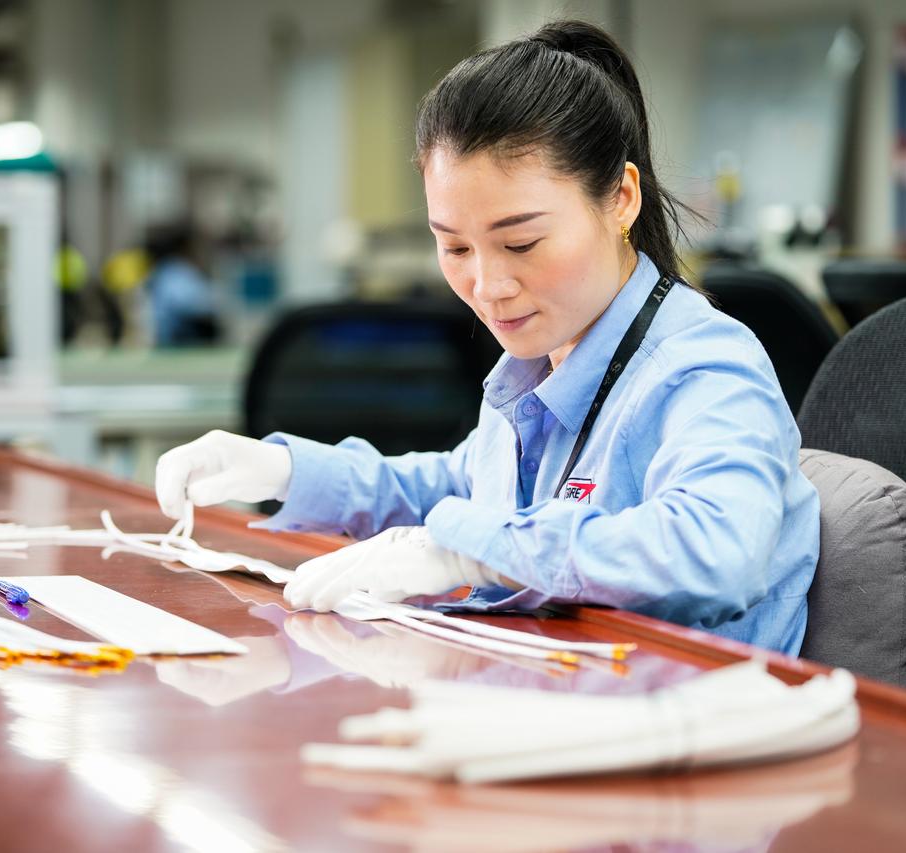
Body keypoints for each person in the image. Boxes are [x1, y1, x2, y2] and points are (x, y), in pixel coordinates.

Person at [155, 20, 820, 655]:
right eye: (454, 247)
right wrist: (285, 469)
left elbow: (717, 550)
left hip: (683, 735)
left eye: (521, 241)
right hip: (544, 704)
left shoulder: (704, 368)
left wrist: (466, 551)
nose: (488, 283)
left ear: (620, 197)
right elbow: (456, 487)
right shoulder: (538, 362)